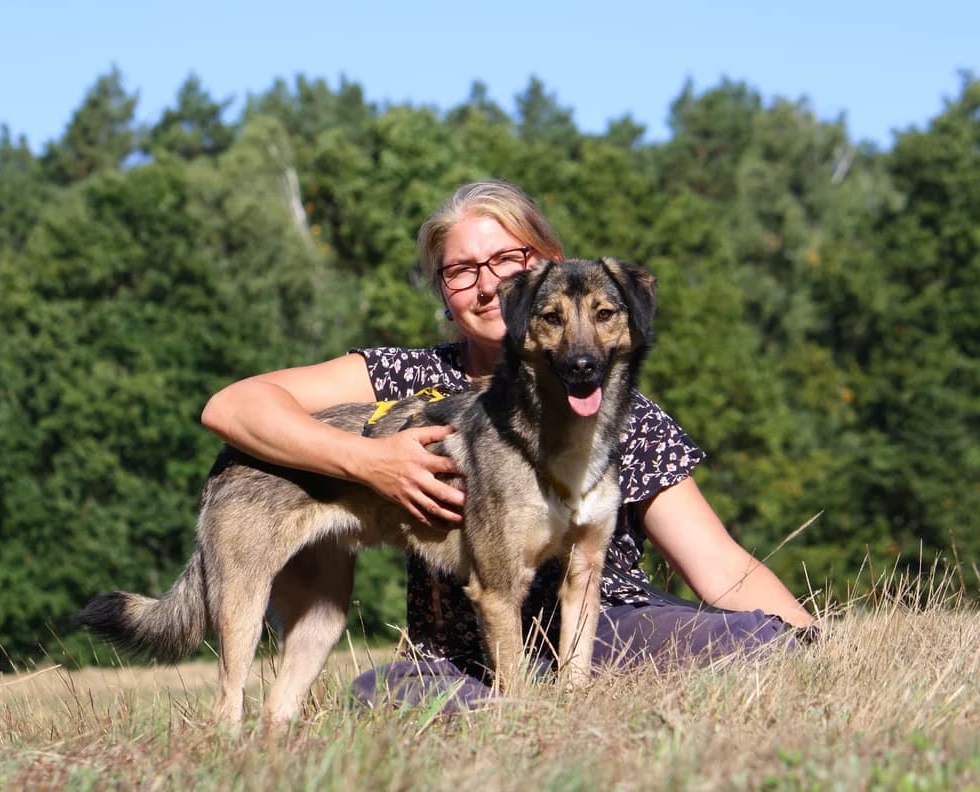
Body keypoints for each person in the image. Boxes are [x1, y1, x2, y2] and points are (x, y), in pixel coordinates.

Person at [201, 179, 817, 710]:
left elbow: (723, 567)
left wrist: (812, 642)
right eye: (461, 271)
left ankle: (584, 696)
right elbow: (231, 406)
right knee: (386, 696)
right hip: (459, 659)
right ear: (443, 290)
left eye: (506, 261)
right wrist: (371, 461)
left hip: (609, 630)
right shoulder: (406, 378)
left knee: (757, 640)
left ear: (546, 263)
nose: (488, 286)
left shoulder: (627, 414)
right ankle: (511, 715)